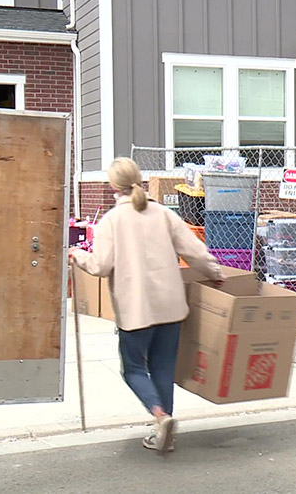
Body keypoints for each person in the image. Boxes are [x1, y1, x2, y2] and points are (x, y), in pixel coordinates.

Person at [70, 157, 223, 454]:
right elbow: (194, 251)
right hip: (171, 307)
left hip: (135, 311)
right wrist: (215, 273)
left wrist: (77, 255)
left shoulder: (111, 221)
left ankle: (160, 416)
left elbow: (101, 266)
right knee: (163, 368)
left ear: (113, 185)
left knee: (133, 370)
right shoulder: (164, 214)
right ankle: (166, 432)